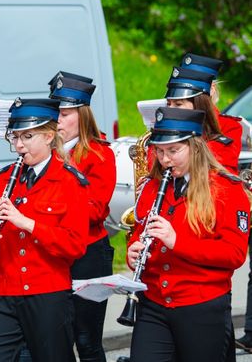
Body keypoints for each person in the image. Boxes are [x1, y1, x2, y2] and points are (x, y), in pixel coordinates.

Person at [127, 106, 250, 362]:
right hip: (154, 302)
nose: (165, 160)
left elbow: (234, 254)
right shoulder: (152, 187)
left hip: (201, 305)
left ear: (195, 147)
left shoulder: (226, 189)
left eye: (173, 151)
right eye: (160, 151)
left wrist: (177, 242)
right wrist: (133, 252)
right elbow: (140, 233)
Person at [0, 97, 90, 361]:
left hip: (48, 293)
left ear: (49, 136)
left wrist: (28, 223)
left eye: (27, 137)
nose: (19, 145)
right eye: (15, 137)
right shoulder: (3, 179)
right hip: (5, 291)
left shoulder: (68, 181)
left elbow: (75, 245)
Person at [49, 71, 116, 362]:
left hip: (88, 254)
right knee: (54, 338)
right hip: (53, 252)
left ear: (82, 115)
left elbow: (95, 210)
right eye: (55, 113)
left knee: (87, 340)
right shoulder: (43, 153)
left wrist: (51, 204)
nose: (57, 120)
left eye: (64, 114)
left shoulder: (98, 153)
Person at [164, 65, 240, 174]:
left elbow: (220, 168)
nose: (170, 110)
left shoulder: (230, 126)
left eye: (178, 104)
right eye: (168, 104)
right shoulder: (166, 125)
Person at [179, 52, 243, 152]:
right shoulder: (169, 118)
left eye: (195, 88)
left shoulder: (229, 126)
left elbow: (220, 158)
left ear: (211, 89)